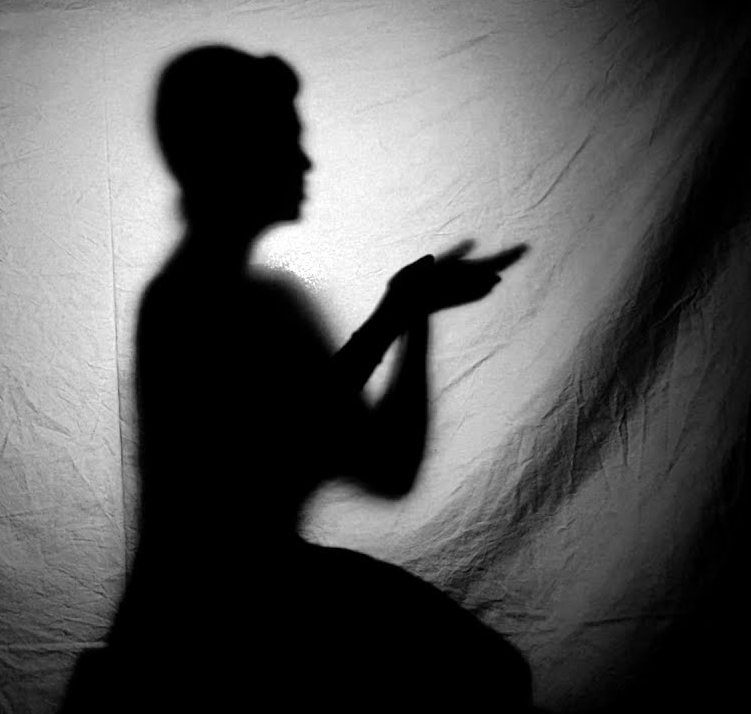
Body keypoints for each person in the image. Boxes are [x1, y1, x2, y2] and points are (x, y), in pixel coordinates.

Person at [62, 44, 531, 713]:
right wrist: (395, 316)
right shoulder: (181, 305)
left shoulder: (271, 304)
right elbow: (264, 458)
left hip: (261, 596)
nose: (306, 162)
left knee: (493, 675)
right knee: (488, 677)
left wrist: (413, 317)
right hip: (200, 623)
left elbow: (387, 465)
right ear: (229, 153)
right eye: (286, 139)